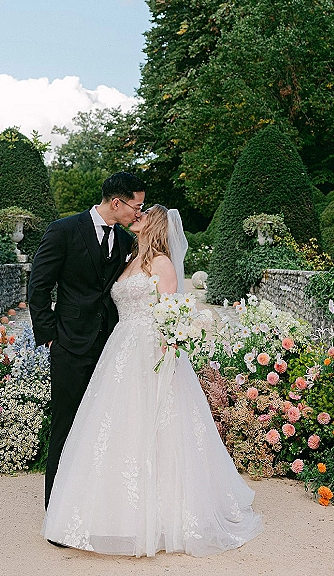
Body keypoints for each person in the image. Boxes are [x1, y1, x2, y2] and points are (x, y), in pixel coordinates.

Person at [42, 204, 263, 557]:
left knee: (156, 428)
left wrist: (167, 350)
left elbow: (171, 311)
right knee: (111, 428)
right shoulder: (129, 258)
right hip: (119, 348)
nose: (137, 218)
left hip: (150, 351)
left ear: (154, 225)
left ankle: (160, 516)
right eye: (137, 212)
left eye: (143, 216)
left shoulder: (162, 264)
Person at [28, 171, 146, 508]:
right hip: (69, 346)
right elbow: (39, 286)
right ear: (116, 202)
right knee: (65, 426)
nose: (138, 213)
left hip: (111, 349)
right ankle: (56, 510)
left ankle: (92, 508)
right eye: (136, 206)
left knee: (101, 428)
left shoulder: (126, 242)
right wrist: (50, 336)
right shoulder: (63, 230)